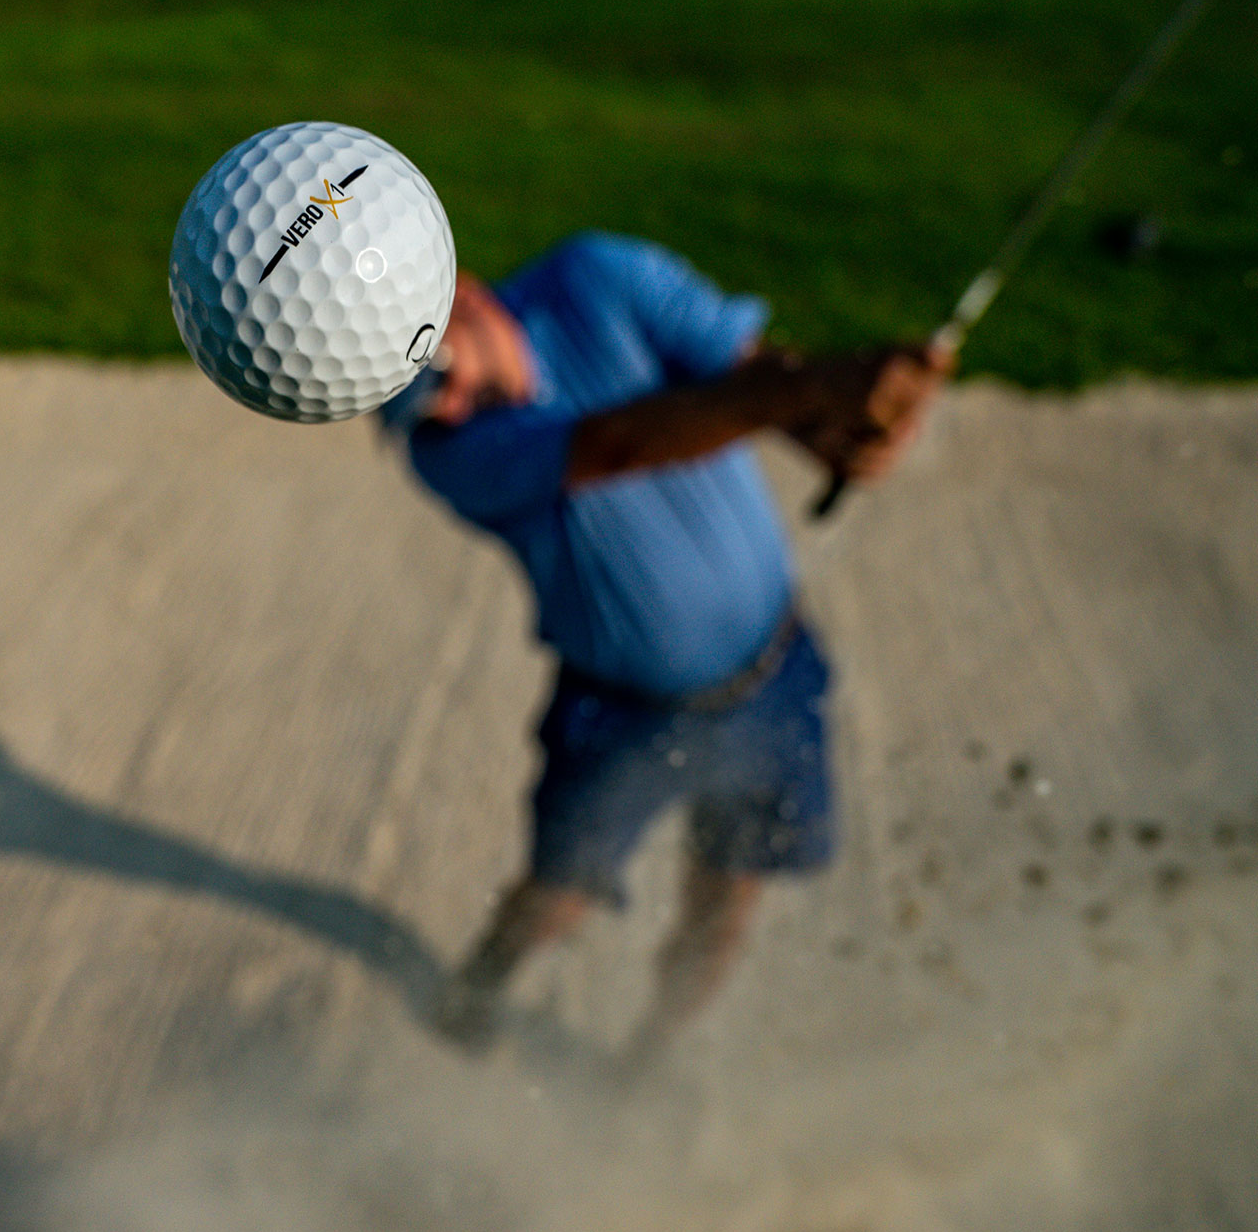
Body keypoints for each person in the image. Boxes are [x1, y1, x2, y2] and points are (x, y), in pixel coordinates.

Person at [379, 232, 949, 1068]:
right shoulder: (449, 454)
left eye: (432, 378)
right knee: (558, 896)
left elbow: (752, 378)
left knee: (725, 906)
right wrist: (819, 390)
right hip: (619, 712)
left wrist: (840, 428)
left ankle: (649, 1056)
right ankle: (480, 988)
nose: (446, 408)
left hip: (773, 676)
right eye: (417, 408)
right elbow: (620, 443)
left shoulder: (599, 275)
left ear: (455, 290)